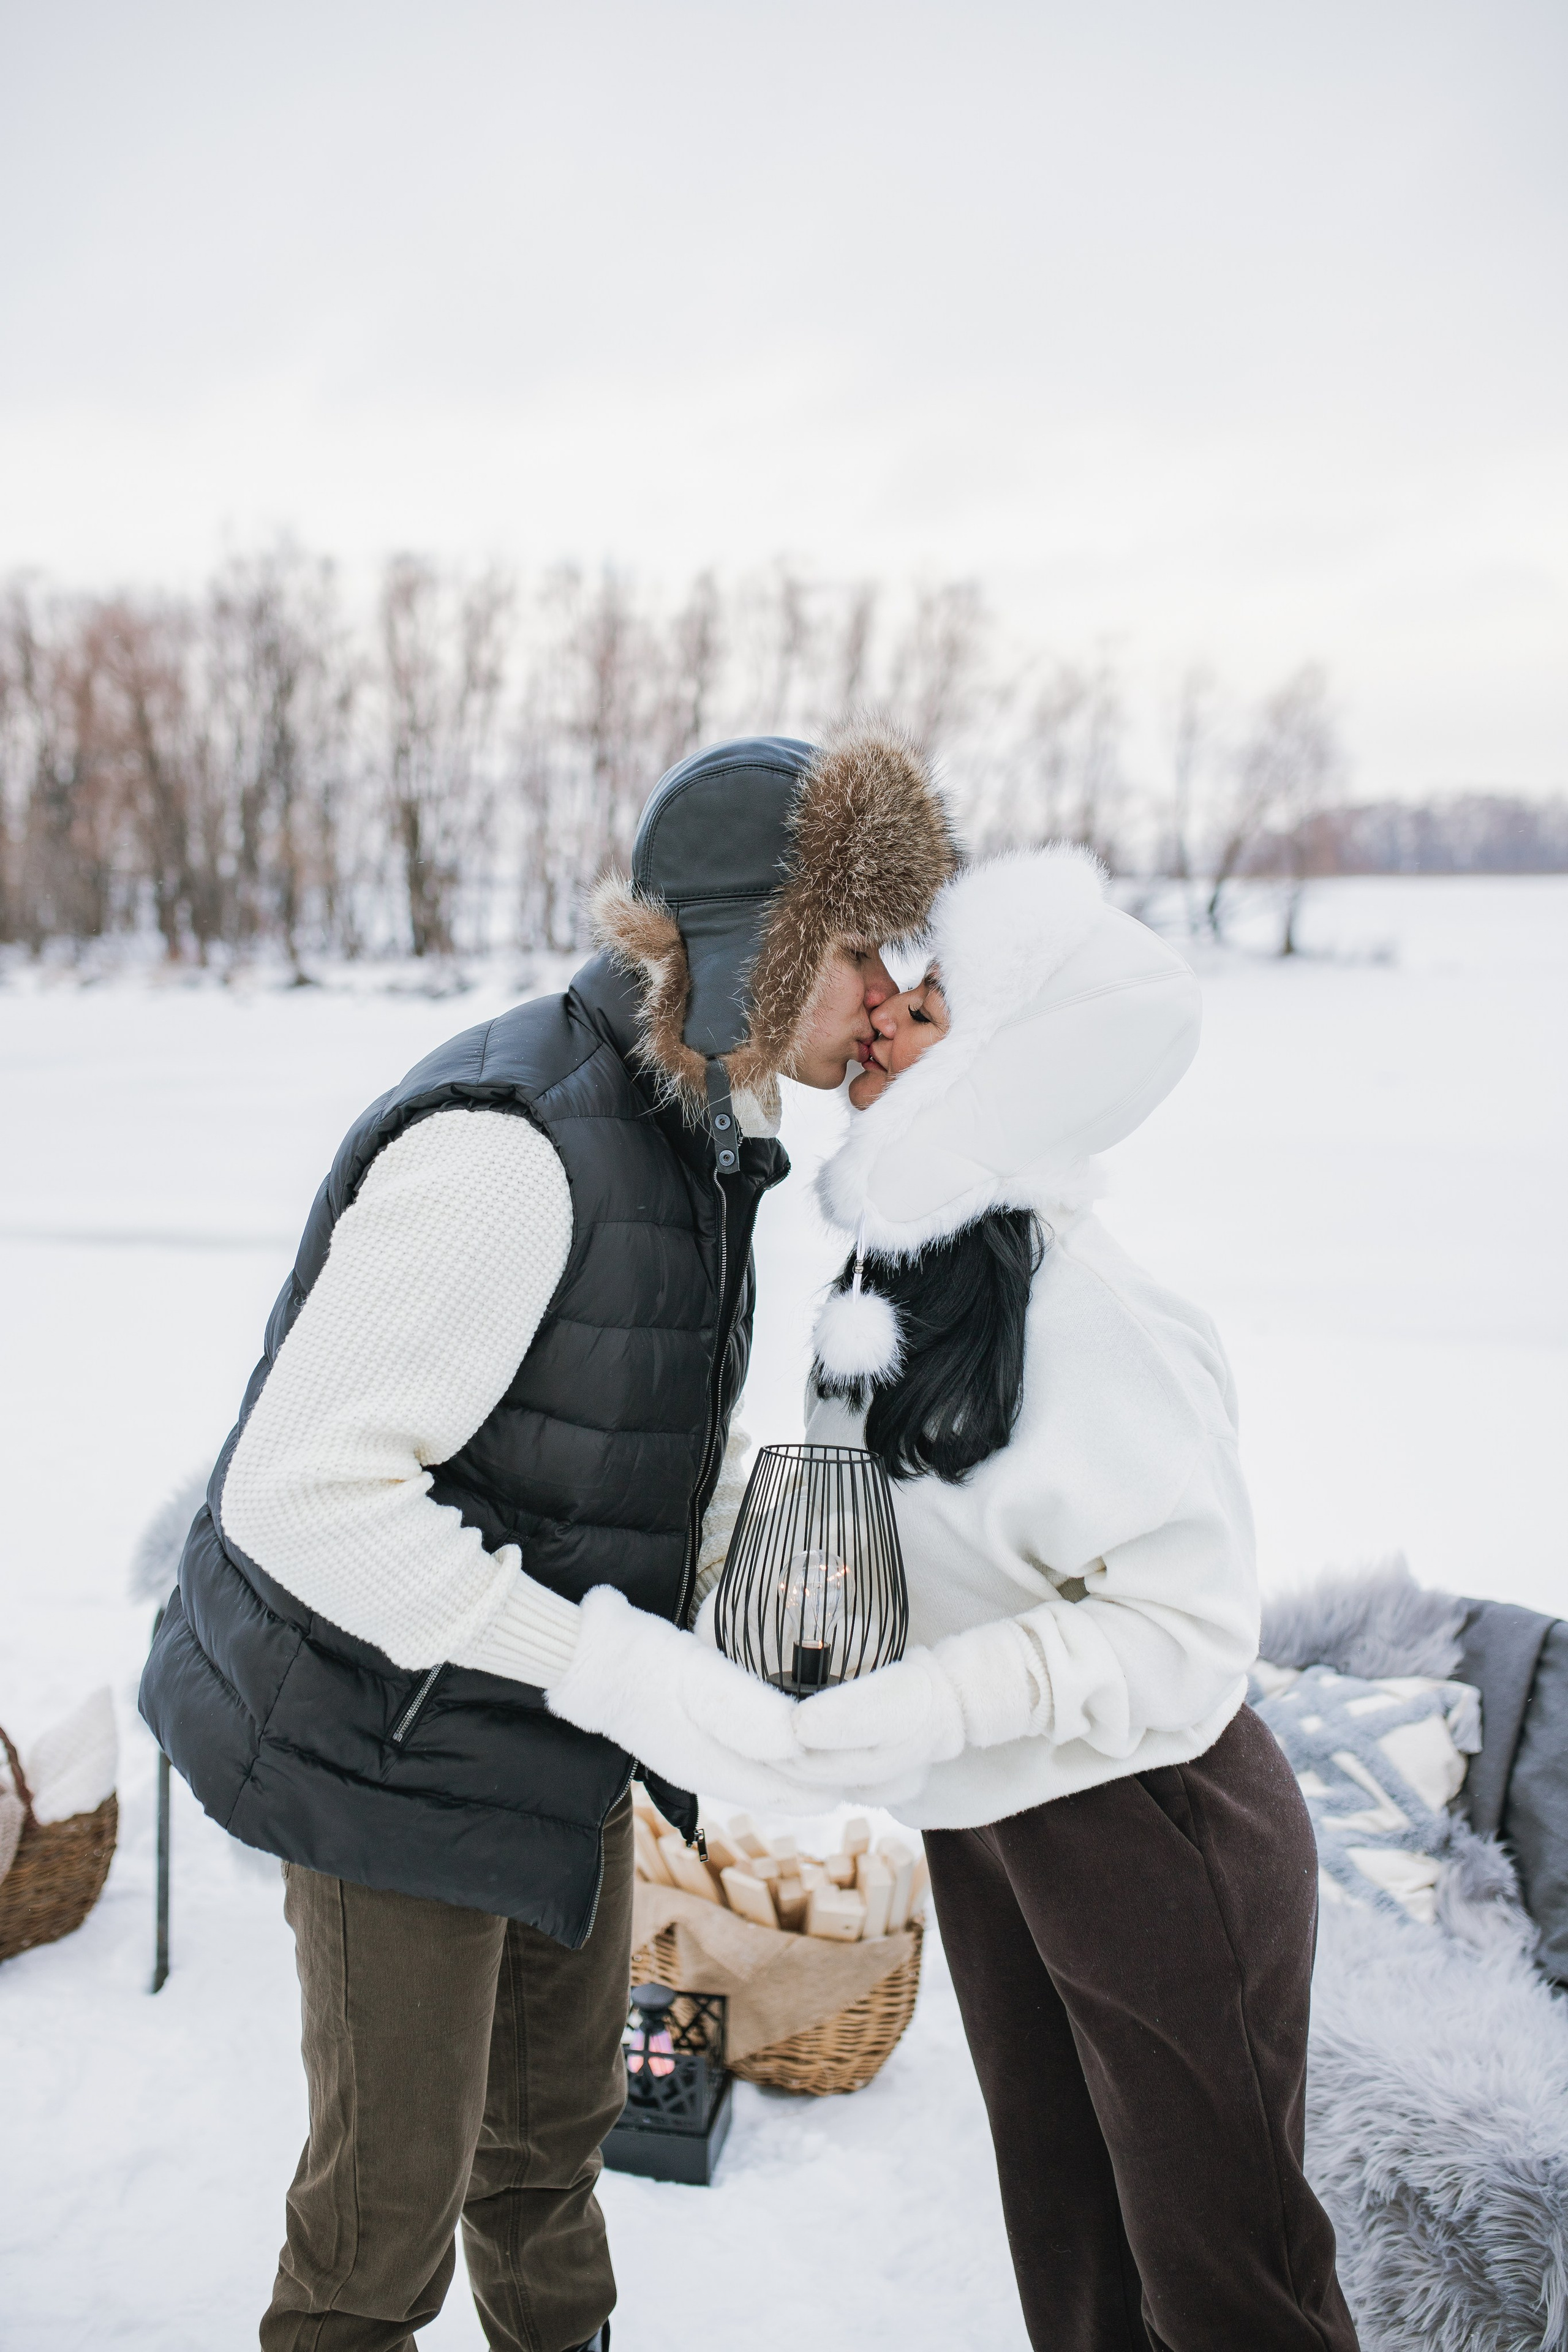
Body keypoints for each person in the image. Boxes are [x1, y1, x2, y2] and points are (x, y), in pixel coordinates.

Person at [140, 726, 957, 2352]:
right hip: (379, 1745)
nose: (888, 993)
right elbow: (302, 1496)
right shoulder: (515, 1147)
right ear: (753, 943)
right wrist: (606, 1664)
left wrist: (746, 1567)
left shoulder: (702, 1124)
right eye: (859, 949)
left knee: (544, 2161)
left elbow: (612, 1417)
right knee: (381, 2229)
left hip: (542, 1733)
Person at [788, 846, 1360, 2352]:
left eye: (922, 1009)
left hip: (1150, 1824)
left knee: (1227, 2296)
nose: (877, 1017)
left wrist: (936, 1697)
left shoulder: (1093, 1314)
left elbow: (1185, 1636)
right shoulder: (903, 1282)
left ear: (1008, 1063)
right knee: (1076, 2272)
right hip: (990, 1822)